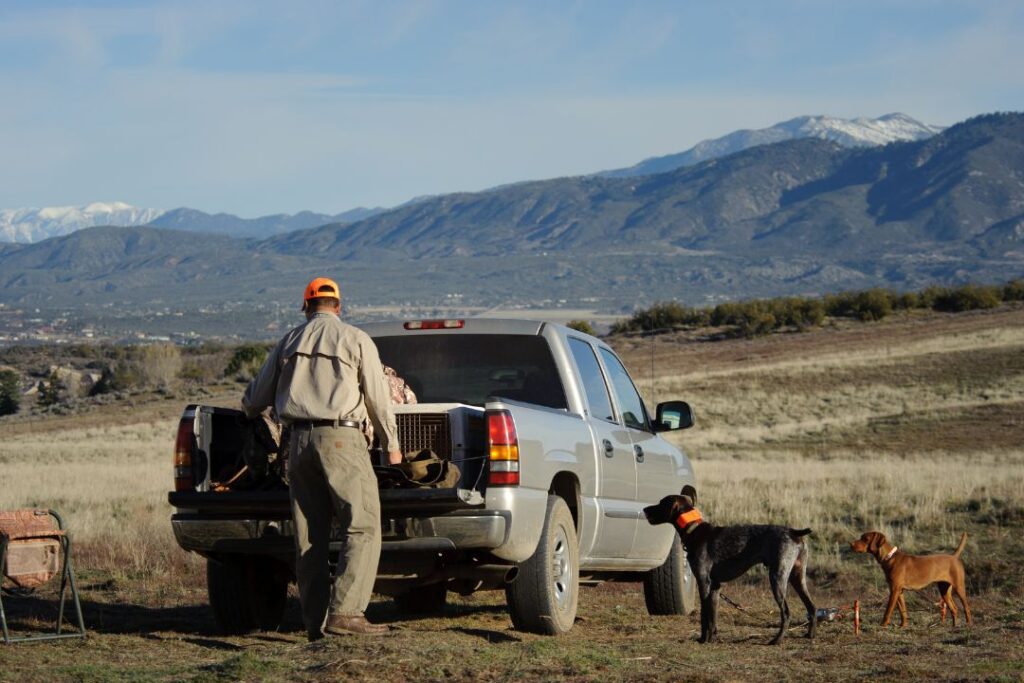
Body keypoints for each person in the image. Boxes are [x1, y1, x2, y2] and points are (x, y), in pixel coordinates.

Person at [242, 276, 402, 639]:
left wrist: (249, 412)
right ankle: (346, 614)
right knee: (361, 526)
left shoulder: (288, 341)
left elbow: (254, 399)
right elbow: (378, 397)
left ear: (305, 307)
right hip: (342, 439)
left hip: (297, 444)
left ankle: (315, 623)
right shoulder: (355, 338)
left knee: (309, 536)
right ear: (339, 307)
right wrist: (392, 445)